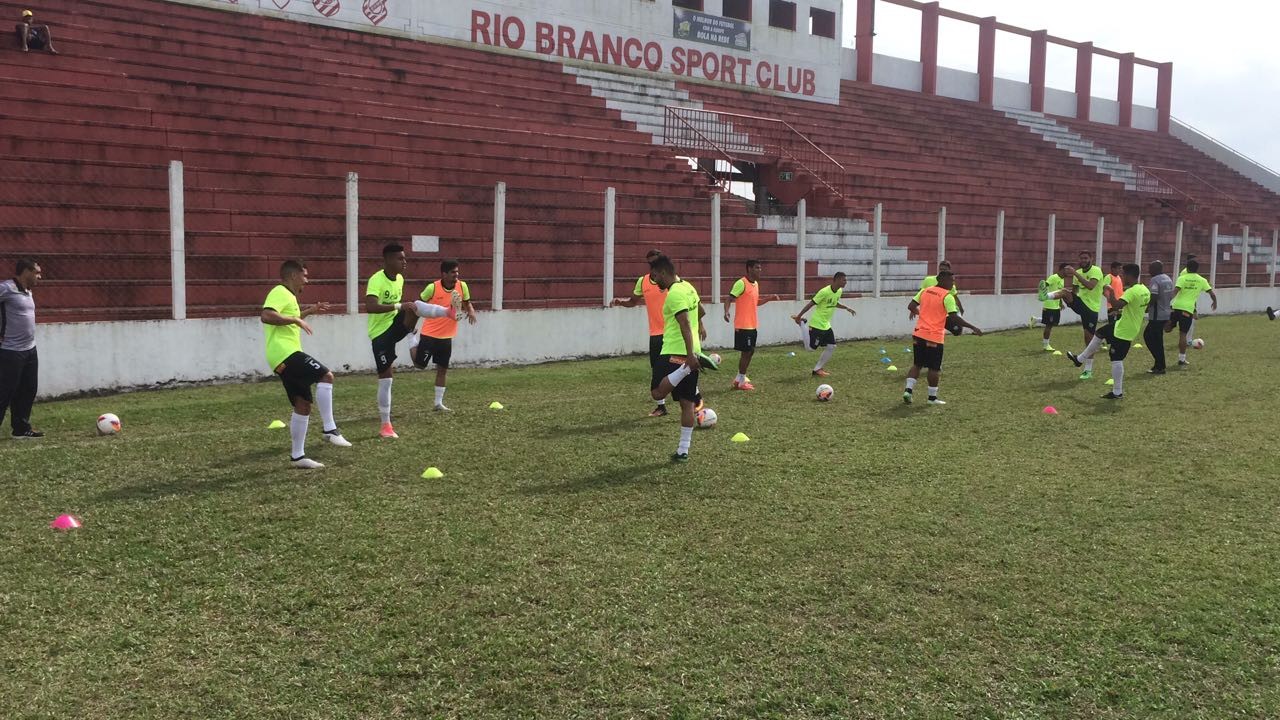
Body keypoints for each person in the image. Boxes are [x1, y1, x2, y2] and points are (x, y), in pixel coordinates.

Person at [261, 260, 352, 469]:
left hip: (281, 357)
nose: (306, 281)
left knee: (303, 405)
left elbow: (288, 316)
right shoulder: (280, 291)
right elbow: (266, 315)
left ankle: (297, 456)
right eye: (304, 276)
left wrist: (308, 312)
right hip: (286, 353)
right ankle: (330, 430)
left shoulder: (289, 297)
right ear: (293, 276)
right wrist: (296, 321)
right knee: (326, 376)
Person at [365, 243, 454, 439]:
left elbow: (402, 307)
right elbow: (370, 306)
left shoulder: (400, 279)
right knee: (387, 378)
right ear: (387, 260)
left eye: (404, 258)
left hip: (395, 325)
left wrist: (402, 308)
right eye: (400, 258)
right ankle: (385, 425)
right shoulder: (376, 280)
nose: (404, 262)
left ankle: (447, 312)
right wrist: (398, 306)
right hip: (380, 334)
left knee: (413, 306)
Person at [646, 254, 718, 463]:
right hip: (693, 350)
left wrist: (688, 358)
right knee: (687, 403)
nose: (654, 280)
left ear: (664, 272)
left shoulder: (675, 294)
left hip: (675, 352)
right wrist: (696, 342)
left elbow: (685, 323)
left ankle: (685, 368)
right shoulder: (688, 287)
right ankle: (683, 450)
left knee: (657, 391)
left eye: (655, 276)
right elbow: (700, 311)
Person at [1066, 263, 1150, 399]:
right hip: (1126, 325)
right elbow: (1145, 308)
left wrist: (1110, 292)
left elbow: (1116, 304)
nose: (1122, 277)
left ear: (1129, 275)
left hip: (1124, 330)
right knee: (1099, 333)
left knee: (1116, 358)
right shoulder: (1145, 290)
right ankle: (1080, 359)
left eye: (1123, 275)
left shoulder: (1132, 291)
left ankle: (1117, 392)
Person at [903, 270, 983, 405]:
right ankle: (932, 398)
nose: (953, 283)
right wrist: (972, 327)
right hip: (934, 336)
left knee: (917, 364)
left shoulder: (925, 291)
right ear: (942, 280)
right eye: (951, 280)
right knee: (934, 368)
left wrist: (923, 315)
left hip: (919, 333)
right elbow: (954, 317)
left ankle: (908, 391)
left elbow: (911, 306)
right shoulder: (947, 296)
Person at [411, 259, 477, 411]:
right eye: (453, 272)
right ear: (444, 274)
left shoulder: (462, 286)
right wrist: (413, 324)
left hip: (447, 336)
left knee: (442, 369)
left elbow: (467, 302)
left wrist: (471, 311)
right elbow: (418, 306)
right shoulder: (432, 288)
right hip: (429, 334)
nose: (456, 275)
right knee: (419, 365)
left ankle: (438, 403)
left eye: (457, 272)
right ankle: (411, 338)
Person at [611, 250, 670, 416]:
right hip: (655, 334)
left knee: (679, 367)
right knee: (657, 370)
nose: (653, 266)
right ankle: (661, 406)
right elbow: (633, 301)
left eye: (656, 262)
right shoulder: (642, 282)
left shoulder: (672, 281)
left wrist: (699, 323)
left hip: (673, 333)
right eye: (651, 263)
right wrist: (620, 303)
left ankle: (695, 401)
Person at [0, 258, 43, 438]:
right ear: (26, 271)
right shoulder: (6, 288)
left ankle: (21, 428)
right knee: (4, 391)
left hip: (30, 349)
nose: (40, 277)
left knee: (28, 389)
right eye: (37, 272)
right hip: (11, 351)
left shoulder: (27, 291)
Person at [723, 259, 780, 391]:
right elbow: (729, 298)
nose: (760, 270)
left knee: (750, 352)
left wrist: (769, 298)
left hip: (752, 325)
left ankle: (738, 379)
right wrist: (726, 312)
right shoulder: (741, 283)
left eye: (760, 268)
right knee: (746, 352)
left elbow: (756, 302)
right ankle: (741, 381)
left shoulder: (755, 284)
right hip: (743, 325)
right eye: (757, 268)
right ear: (749, 269)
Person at [792, 272, 856, 377]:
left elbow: (834, 302)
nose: (846, 282)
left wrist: (846, 308)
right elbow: (811, 304)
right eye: (844, 280)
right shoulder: (824, 292)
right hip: (817, 324)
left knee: (831, 346)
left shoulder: (839, 291)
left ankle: (817, 369)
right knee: (810, 349)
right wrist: (799, 316)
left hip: (826, 324)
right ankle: (802, 324)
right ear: (837, 280)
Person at [1166, 258, 1216, 367]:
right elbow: (1212, 293)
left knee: (1167, 328)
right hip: (1187, 310)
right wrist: (1214, 302)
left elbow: (1175, 292)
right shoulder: (1202, 280)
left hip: (1176, 307)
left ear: (1187, 269)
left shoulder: (1182, 278)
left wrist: (1167, 303)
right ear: (1197, 269)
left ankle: (1168, 325)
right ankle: (1182, 359)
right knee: (1183, 334)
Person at [1066, 250, 1104, 352]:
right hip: (1082, 305)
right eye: (1081, 258)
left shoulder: (1096, 270)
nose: (1083, 260)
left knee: (1088, 337)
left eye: (1086, 258)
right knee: (1064, 292)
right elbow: (1074, 291)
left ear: (1091, 259)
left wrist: (1074, 273)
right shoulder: (1078, 272)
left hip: (1091, 309)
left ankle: (1089, 364)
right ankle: (1046, 296)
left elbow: (1090, 286)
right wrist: (1069, 301)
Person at [1144, 260, 1174, 374]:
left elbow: (1154, 296)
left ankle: (1160, 366)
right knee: (1155, 339)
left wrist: (1146, 308)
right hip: (1166, 313)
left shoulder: (1155, 280)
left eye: (1150, 268)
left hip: (1156, 316)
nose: (1148, 271)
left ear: (1156, 269)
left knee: (1151, 338)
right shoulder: (1168, 278)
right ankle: (1159, 364)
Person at [921, 260, 966, 335]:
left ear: (948, 270)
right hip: (932, 311)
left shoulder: (950, 283)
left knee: (958, 331)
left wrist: (961, 308)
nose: (942, 271)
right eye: (941, 269)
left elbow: (955, 297)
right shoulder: (928, 280)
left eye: (944, 270)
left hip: (945, 311)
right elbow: (921, 293)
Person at [1036, 263, 1074, 351]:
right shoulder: (1053, 277)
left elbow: (1059, 292)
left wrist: (1060, 303)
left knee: (1051, 323)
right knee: (1049, 325)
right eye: (1067, 269)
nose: (1069, 271)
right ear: (1062, 269)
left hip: (1056, 306)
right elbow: (1044, 285)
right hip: (1049, 306)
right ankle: (1046, 345)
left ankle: (1035, 319)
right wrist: (1042, 292)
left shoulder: (1062, 279)